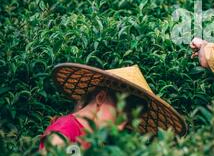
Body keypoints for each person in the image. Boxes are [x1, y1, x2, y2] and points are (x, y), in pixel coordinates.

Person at [40, 63, 187, 150]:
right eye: (120, 116)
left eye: (127, 122)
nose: (122, 127)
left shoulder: (96, 141)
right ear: (100, 98)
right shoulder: (66, 130)